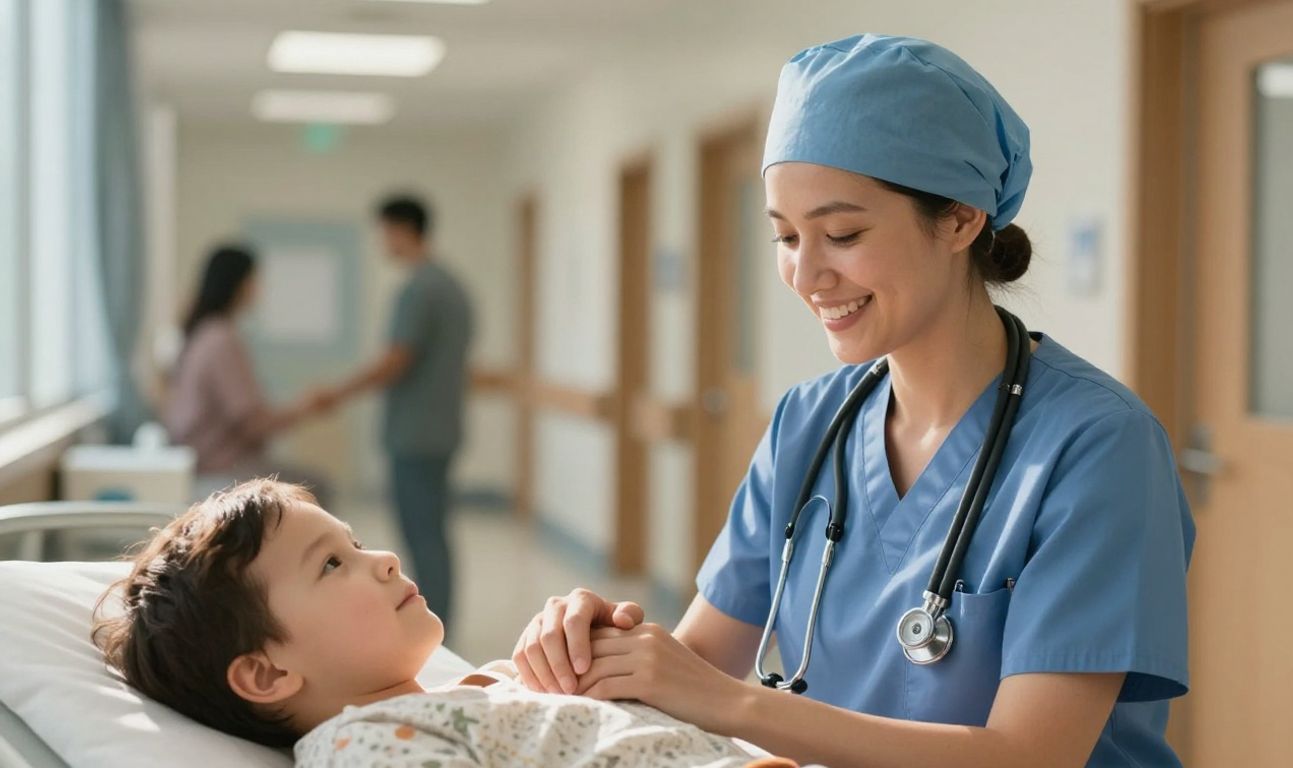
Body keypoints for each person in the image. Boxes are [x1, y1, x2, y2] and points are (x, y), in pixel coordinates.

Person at [510, 34, 1195, 768]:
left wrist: (730, 702)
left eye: (843, 233)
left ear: (962, 219)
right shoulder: (809, 423)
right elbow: (700, 662)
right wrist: (594, 646)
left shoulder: (1097, 446)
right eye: (785, 236)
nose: (807, 275)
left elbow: (1029, 754)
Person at [91, 479, 802, 768]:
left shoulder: (475, 690)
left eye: (357, 543)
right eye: (332, 565)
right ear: (268, 671)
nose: (385, 559)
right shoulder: (361, 747)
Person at [317, 196, 474, 628]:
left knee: (422, 533)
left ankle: (435, 624)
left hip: (416, 434)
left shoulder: (420, 289)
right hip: (440, 429)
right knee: (433, 531)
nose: (382, 242)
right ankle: (441, 619)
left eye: (385, 232)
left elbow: (395, 360)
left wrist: (338, 392)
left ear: (403, 229)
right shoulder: (452, 286)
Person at [163, 243, 331, 504]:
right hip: (220, 469)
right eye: (255, 281)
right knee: (318, 487)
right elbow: (253, 424)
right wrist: (304, 408)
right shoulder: (221, 339)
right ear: (240, 284)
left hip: (202, 463)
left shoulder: (202, 334)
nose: (259, 290)